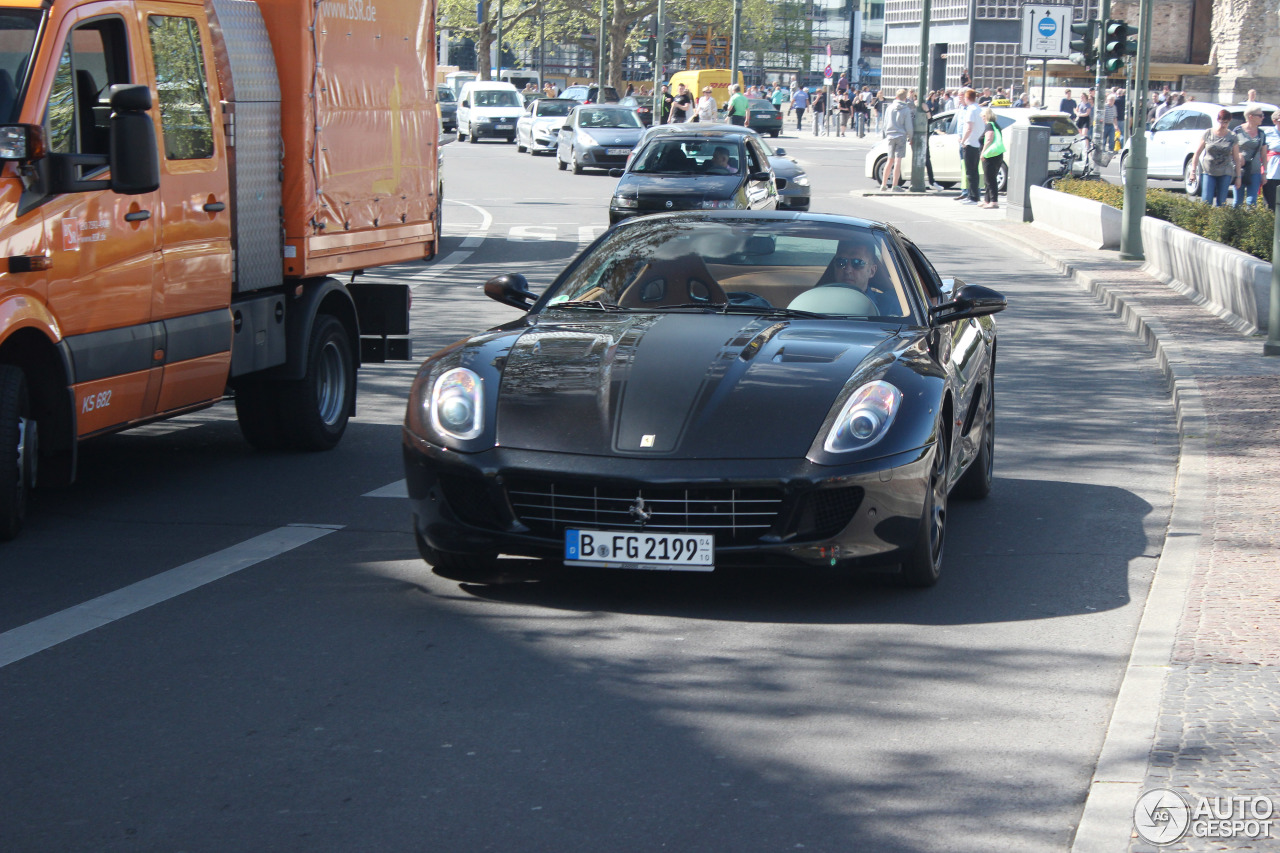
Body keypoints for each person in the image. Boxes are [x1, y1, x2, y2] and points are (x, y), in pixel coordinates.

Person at [816, 238, 896, 315]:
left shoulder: (890, 307)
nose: (847, 270)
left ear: (872, 271)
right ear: (834, 266)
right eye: (841, 262)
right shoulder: (816, 302)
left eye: (857, 263)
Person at [1193, 109, 1243, 206]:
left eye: (1226, 122)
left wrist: (1238, 177)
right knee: (1206, 200)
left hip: (1225, 171)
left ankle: (1219, 220)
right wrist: (1193, 172)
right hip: (1209, 171)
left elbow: (1236, 158)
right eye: (1221, 121)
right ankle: (1205, 220)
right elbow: (1197, 153)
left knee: (1222, 201)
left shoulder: (1232, 136)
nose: (1223, 124)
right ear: (1217, 120)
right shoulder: (1208, 133)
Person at [1233, 105, 1267, 205]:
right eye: (1260, 115)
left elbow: (1264, 155)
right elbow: (1230, 149)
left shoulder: (1261, 133)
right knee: (1237, 201)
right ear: (1251, 117)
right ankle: (1236, 221)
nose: (1263, 117)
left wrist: (1264, 173)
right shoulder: (1237, 131)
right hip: (1240, 170)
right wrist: (1238, 154)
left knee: (1252, 201)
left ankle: (1250, 220)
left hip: (1255, 171)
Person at [881, 88, 912, 191]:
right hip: (901, 136)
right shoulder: (906, 109)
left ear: (896, 96)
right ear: (905, 98)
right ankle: (894, 185)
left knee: (889, 160)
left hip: (890, 135)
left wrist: (886, 134)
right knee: (898, 161)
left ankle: (884, 184)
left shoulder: (889, 108)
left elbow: (885, 123)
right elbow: (908, 125)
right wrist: (910, 137)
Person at [957, 88, 984, 204]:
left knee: (970, 171)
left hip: (970, 143)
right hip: (978, 143)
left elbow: (969, 128)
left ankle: (972, 197)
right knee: (975, 171)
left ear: (967, 98)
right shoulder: (979, 109)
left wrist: (963, 140)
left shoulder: (970, 110)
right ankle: (975, 195)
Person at [979, 107, 1004, 209]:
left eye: (983, 116)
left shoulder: (989, 125)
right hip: (997, 155)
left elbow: (989, 138)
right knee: (989, 178)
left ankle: (993, 202)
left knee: (990, 178)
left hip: (990, 155)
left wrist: (983, 152)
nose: (982, 119)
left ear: (987, 116)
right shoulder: (996, 125)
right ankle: (987, 200)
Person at [1263, 110, 1280, 209]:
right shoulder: (1269, 132)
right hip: (1272, 171)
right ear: (1274, 121)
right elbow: (1273, 146)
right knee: (1271, 202)